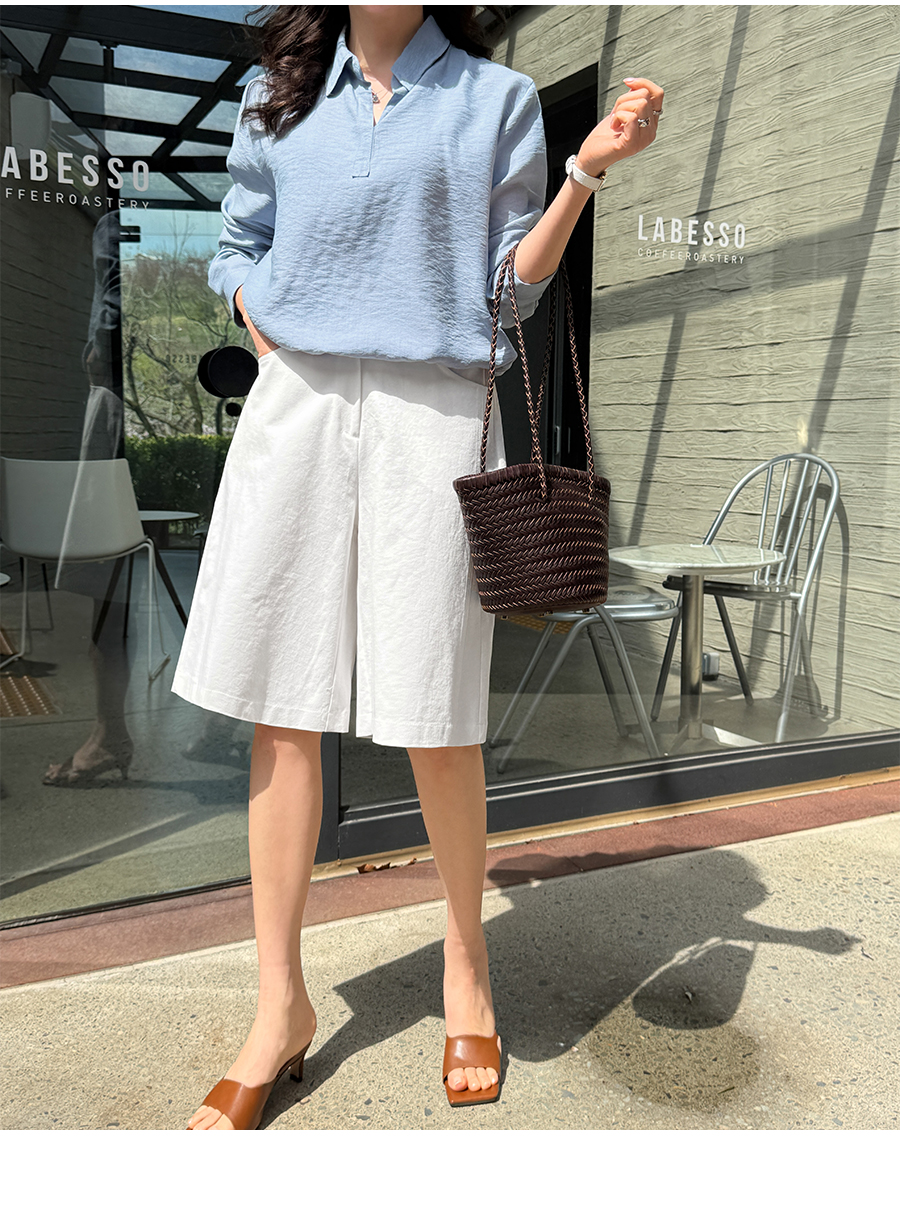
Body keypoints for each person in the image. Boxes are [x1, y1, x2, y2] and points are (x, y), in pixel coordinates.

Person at [173, 4, 662, 1130]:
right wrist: (260, 319)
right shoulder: (278, 94)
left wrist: (584, 172)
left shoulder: (496, 99)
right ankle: (278, 1005)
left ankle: (466, 965)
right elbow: (238, 242)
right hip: (298, 403)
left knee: (436, 713)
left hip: (435, 411)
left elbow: (510, 287)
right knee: (281, 708)